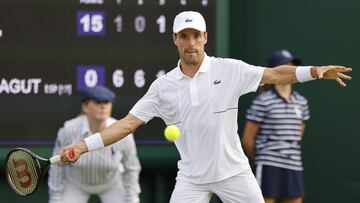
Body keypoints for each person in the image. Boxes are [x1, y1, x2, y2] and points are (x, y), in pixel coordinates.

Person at [59, 11, 352, 203]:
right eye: (184, 36)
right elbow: (125, 124)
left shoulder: (230, 69)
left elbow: (274, 74)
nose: (191, 43)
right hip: (191, 179)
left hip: (235, 173)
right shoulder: (163, 87)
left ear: (205, 38)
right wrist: (83, 146)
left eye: (196, 35)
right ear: (174, 39)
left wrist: (314, 71)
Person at [48, 85, 141, 203]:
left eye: (107, 102)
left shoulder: (123, 132)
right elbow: (57, 166)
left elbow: (131, 168)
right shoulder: (68, 129)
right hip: (76, 184)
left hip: (111, 185)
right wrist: (55, 198)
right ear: (85, 106)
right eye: (97, 102)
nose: (103, 106)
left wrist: (132, 199)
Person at [242, 49, 309, 203]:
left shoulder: (302, 102)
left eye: (294, 66)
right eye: (287, 66)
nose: (292, 70)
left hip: (294, 165)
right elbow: (247, 139)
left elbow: (298, 135)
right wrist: (264, 158)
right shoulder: (262, 101)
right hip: (268, 166)